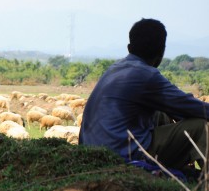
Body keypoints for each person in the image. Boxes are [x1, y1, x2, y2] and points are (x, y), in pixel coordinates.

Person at [79, 18, 209, 171]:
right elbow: (194, 107)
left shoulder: (115, 68)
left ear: (129, 48)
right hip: (122, 156)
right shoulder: (147, 75)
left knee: (160, 113)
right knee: (201, 127)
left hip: (92, 153)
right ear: (161, 52)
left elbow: (178, 104)